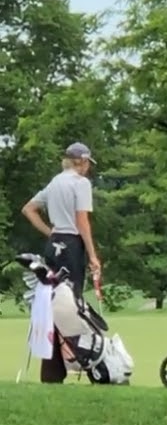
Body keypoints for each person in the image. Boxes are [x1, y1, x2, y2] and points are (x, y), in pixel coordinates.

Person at [19, 141, 102, 383]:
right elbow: (82, 222)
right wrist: (93, 255)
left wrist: (50, 233)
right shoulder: (80, 183)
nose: (88, 168)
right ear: (82, 162)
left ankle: (53, 370)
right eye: (87, 163)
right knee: (71, 305)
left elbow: (28, 209)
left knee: (52, 303)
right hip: (72, 246)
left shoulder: (55, 182)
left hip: (53, 247)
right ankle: (80, 363)